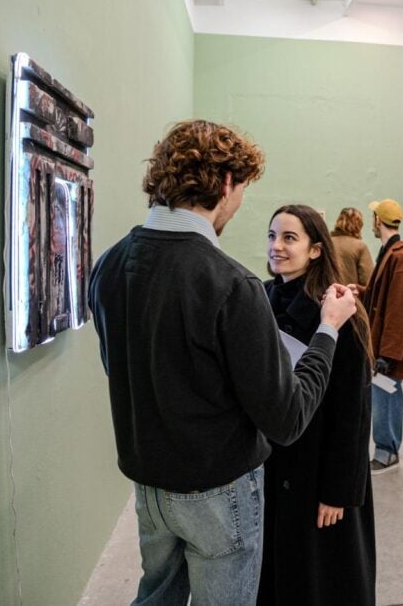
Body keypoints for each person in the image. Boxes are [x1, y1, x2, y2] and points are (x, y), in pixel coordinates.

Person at [87, 119, 357, 605]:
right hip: (219, 493)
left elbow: (126, 371)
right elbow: (288, 418)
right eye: (243, 190)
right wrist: (328, 330)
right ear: (227, 183)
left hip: (149, 488)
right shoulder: (231, 284)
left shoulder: (109, 265)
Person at [258, 205, 375, 606]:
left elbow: (353, 411)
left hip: (318, 471)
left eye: (289, 238)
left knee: (319, 577)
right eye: (272, 236)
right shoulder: (260, 298)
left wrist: (338, 491)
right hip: (271, 463)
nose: (276, 246)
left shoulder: (339, 310)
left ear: (315, 250)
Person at [359, 199, 403, 474]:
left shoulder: (401, 258)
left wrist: (388, 354)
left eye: (373, 217)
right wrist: (361, 292)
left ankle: (387, 452)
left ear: (378, 221)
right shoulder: (391, 253)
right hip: (383, 345)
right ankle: (386, 449)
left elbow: (400, 311)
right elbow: (385, 297)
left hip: (389, 349)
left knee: (386, 396)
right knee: (384, 395)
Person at [329, 207, 374, 287]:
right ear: (358, 225)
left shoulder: (327, 243)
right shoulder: (360, 247)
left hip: (327, 293)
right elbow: (368, 281)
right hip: (350, 293)